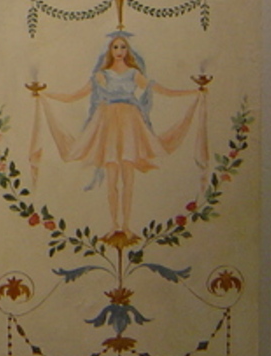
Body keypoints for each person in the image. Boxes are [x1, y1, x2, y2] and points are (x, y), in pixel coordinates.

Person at [37, 33, 205, 239]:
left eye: (122, 47)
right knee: (112, 180)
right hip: (107, 124)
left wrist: (192, 92)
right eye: (115, 47)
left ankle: (126, 225)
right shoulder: (102, 75)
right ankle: (114, 225)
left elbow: (161, 90)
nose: (119, 51)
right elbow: (74, 96)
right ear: (110, 51)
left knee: (128, 180)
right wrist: (45, 94)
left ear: (127, 51)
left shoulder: (134, 74)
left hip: (130, 124)